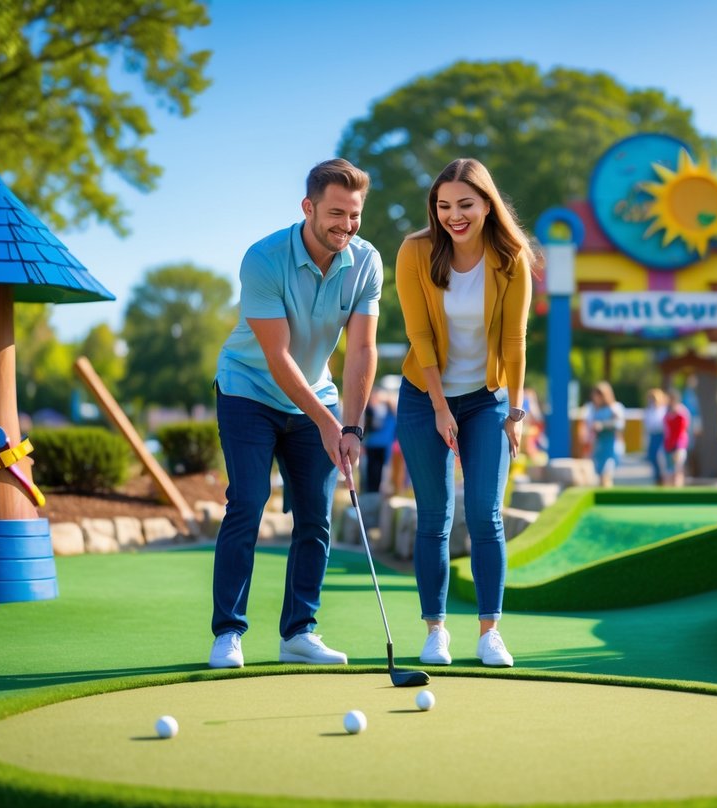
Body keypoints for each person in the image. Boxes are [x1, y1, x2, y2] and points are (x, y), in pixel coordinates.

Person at [208, 159, 381, 670]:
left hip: (318, 395)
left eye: (354, 216)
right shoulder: (263, 258)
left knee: (315, 516)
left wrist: (350, 425)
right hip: (249, 389)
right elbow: (278, 358)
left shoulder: (366, 261)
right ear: (308, 207)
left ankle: (299, 632)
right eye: (335, 214)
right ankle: (228, 633)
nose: (345, 226)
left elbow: (362, 350)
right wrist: (328, 423)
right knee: (248, 501)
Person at [394, 158, 534, 668]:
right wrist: (437, 406)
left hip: (486, 400)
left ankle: (490, 631)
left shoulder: (512, 258)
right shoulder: (415, 252)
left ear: (486, 205)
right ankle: (436, 631)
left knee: (485, 514)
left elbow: (515, 342)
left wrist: (515, 413)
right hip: (421, 396)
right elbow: (420, 335)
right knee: (433, 517)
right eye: (444, 205)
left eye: (465, 205)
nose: (454, 215)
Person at [586, 381, 626, 487]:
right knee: (600, 478)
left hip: (612, 445)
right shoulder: (594, 409)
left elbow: (619, 424)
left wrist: (603, 425)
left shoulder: (615, 408)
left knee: (607, 476)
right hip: (599, 447)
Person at [362, 386, 396, 494]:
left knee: (375, 470)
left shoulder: (387, 411)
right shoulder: (382, 411)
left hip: (379, 444)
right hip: (376, 444)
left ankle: (373, 492)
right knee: (375, 470)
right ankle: (372, 492)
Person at [661, 388, 691, 487]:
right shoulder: (667, 412)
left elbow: (682, 431)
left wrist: (678, 447)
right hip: (668, 445)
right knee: (668, 472)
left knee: (678, 470)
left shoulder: (681, 412)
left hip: (679, 445)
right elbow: (666, 431)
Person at [642, 388, 668, 486]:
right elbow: (647, 426)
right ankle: (657, 479)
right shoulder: (649, 411)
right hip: (653, 436)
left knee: (661, 458)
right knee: (652, 458)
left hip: (662, 436)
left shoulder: (664, 410)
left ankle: (663, 478)